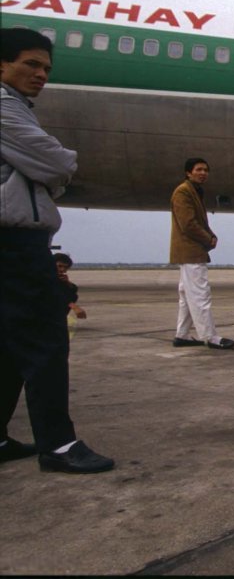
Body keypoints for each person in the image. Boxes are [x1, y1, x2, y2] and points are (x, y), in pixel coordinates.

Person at [1, 27, 114, 474]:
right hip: (15, 242)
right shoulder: (6, 108)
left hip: (15, 239)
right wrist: (55, 170)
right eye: (31, 64)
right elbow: (58, 162)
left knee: (9, 344)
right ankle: (59, 445)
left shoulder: (17, 108)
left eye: (46, 67)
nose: (41, 74)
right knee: (46, 340)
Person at [169, 158, 234, 350]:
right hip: (190, 250)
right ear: (188, 173)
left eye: (206, 170)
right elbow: (188, 224)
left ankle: (182, 334)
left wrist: (211, 235)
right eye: (198, 169)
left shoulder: (194, 191)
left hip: (190, 250)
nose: (203, 173)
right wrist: (208, 239)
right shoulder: (183, 192)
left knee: (186, 294)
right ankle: (211, 337)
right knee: (200, 294)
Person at [54, 253, 86, 320]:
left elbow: (74, 289)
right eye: (59, 266)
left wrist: (67, 282)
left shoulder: (59, 277)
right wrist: (74, 306)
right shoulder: (44, 277)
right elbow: (52, 293)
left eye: (65, 267)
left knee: (73, 295)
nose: (62, 269)